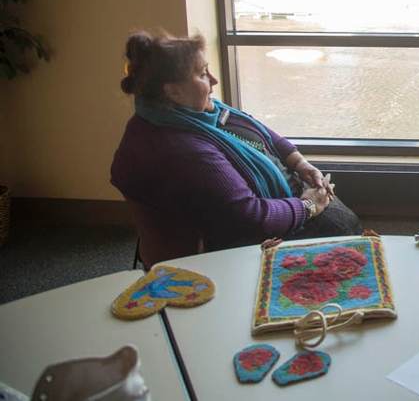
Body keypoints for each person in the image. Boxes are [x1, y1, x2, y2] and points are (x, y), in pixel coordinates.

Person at [111, 30, 361, 253]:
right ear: (172, 91)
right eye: (202, 74)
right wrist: (308, 205)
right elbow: (252, 217)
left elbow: (262, 132)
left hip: (274, 204)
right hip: (237, 239)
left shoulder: (194, 114)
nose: (214, 80)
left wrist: (300, 163)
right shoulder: (183, 151)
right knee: (343, 226)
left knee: (340, 218)